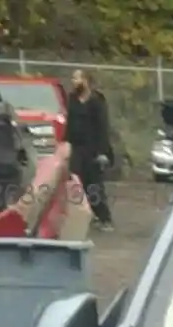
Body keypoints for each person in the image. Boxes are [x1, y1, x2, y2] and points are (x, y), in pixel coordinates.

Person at [65, 69, 114, 231]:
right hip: (77, 148)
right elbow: (69, 123)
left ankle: (104, 218)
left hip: (93, 149)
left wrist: (102, 152)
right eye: (73, 78)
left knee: (94, 184)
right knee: (77, 182)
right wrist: (65, 144)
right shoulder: (72, 99)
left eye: (76, 78)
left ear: (86, 80)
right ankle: (84, 215)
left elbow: (102, 127)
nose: (73, 81)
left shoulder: (96, 100)